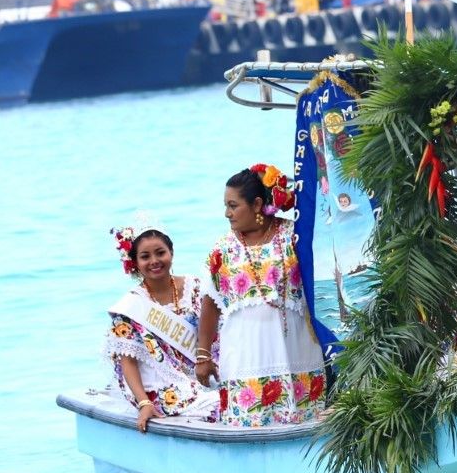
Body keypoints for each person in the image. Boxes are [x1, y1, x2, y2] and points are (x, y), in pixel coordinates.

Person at [195, 164, 327, 426]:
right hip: (244, 359)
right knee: (247, 423)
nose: (227, 213)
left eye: (233, 206)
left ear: (257, 204)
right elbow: (210, 305)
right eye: (226, 206)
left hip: (295, 353)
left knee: (303, 422)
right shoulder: (222, 249)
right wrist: (203, 356)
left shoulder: (294, 237)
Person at [104, 218, 217, 432]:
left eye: (160, 253)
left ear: (171, 253)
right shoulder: (131, 306)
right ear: (135, 262)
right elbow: (128, 362)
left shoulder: (195, 287)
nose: (154, 261)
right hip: (161, 384)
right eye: (145, 256)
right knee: (216, 407)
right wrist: (144, 403)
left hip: (202, 373)